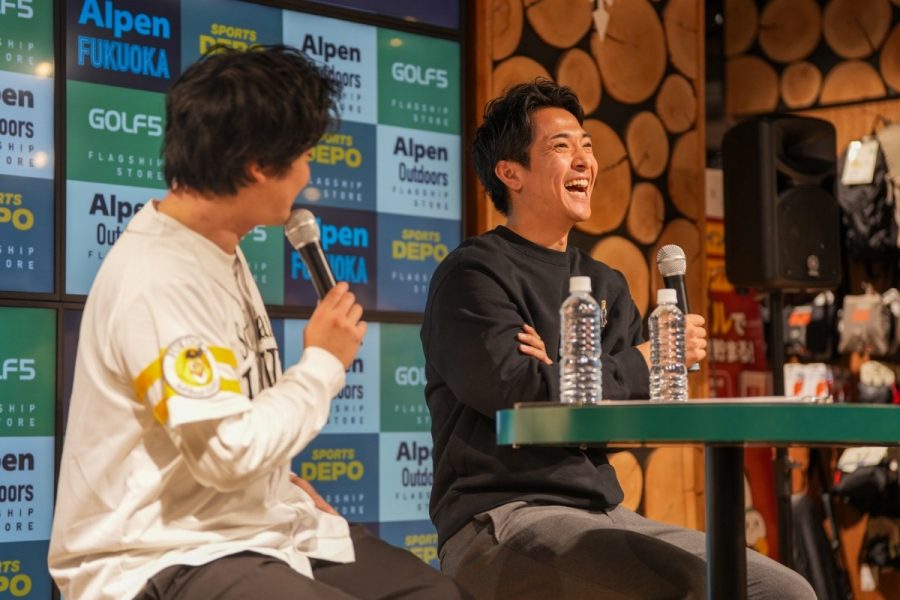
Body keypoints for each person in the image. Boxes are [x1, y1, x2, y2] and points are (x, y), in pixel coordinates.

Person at [49, 45, 462, 600]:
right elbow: (225, 453)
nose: (308, 175)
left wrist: (274, 490)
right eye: (303, 156)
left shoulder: (220, 247)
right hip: (158, 555)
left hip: (253, 530)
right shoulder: (158, 277)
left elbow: (220, 427)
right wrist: (322, 362)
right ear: (257, 166)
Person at [420, 79, 816, 599]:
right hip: (502, 517)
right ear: (510, 172)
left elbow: (622, 415)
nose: (584, 160)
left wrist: (566, 373)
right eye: (561, 146)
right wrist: (640, 363)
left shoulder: (604, 283)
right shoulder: (473, 275)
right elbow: (518, 394)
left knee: (783, 590)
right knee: (690, 588)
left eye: (587, 146)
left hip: (601, 511)